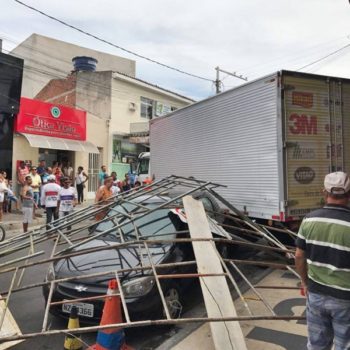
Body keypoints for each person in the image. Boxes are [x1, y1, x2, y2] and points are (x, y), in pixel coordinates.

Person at [295, 171, 350, 350]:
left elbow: (299, 256)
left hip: (316, 294)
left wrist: (305, 283)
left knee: (317, 345)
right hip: (345, 298)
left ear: (324, 192)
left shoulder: (309, 220)